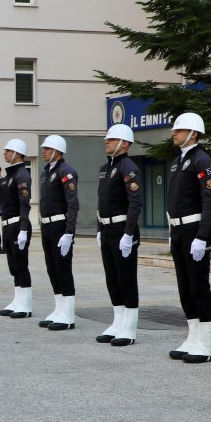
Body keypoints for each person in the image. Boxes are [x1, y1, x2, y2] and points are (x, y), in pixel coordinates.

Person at [167, 113, 211, 364]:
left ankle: (207, 343)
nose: (174, 133)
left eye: (180, 130)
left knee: (199, 286)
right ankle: (193, 337)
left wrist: (202, 235)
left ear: (194, 133)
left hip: (194, 230)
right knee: (185, 287)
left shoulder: (202, 160)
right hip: (178, 230)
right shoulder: (178, 162)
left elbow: (209, 201)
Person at [94, 124, 144, 346]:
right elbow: (101, 202)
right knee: (112, 279)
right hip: (107, 229)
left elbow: (135, 203)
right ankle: (117, 322)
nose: (106, 141)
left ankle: (129, 328)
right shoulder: (105, 168)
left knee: (126, 279)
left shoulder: (129, 167)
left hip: (123, 229)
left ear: (124, 143)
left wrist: (128, 233)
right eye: (106, 138)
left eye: (111, 139)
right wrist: (98, 229)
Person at [36, 135, 80, 332]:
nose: (43, 151)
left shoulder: (66, 172)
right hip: (47, 226)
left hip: (60, 226)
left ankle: (68, 315)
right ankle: (59, 310)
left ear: (57, 150)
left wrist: (69, 232)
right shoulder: (47, 172)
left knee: (63, 269)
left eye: (46, 148)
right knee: (52, 269)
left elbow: (73, 204)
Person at [0, 139, 34, 316]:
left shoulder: (22, 175)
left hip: (18, 225)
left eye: (8, 151)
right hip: (7, 226)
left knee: (21, 265)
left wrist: (24, 229)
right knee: (13, 266)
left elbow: (25, 204)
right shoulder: (8, 177)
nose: (4, 153)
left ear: (17, 154)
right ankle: (18, 300)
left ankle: (25, 305)